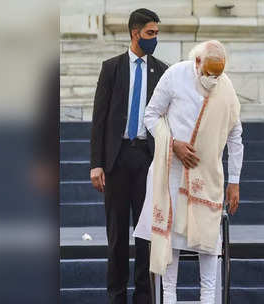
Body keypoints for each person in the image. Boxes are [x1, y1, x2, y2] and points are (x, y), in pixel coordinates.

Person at [133, 40, 244, 304]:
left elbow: (235, 134)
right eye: (209, 73)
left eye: (218, 74)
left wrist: (235, 181)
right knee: (170, 259)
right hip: (172, 174)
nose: (213, 80)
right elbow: (150, 116)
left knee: (208, 251)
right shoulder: (175, 75)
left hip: (208, 179)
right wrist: (173, 145)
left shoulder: (225, 87)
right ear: (197, 63)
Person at [89, 8, 168, 304]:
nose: (154, 39)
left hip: (147, 161)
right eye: (150, 33)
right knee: (117, 235)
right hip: (116, 159)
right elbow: (99, 119)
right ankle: (116, 296)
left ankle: (144, 297)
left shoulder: (161, 71)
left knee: (146, 234)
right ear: (135, 33)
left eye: (156, 33)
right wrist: (96, 163)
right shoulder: (111, 68)